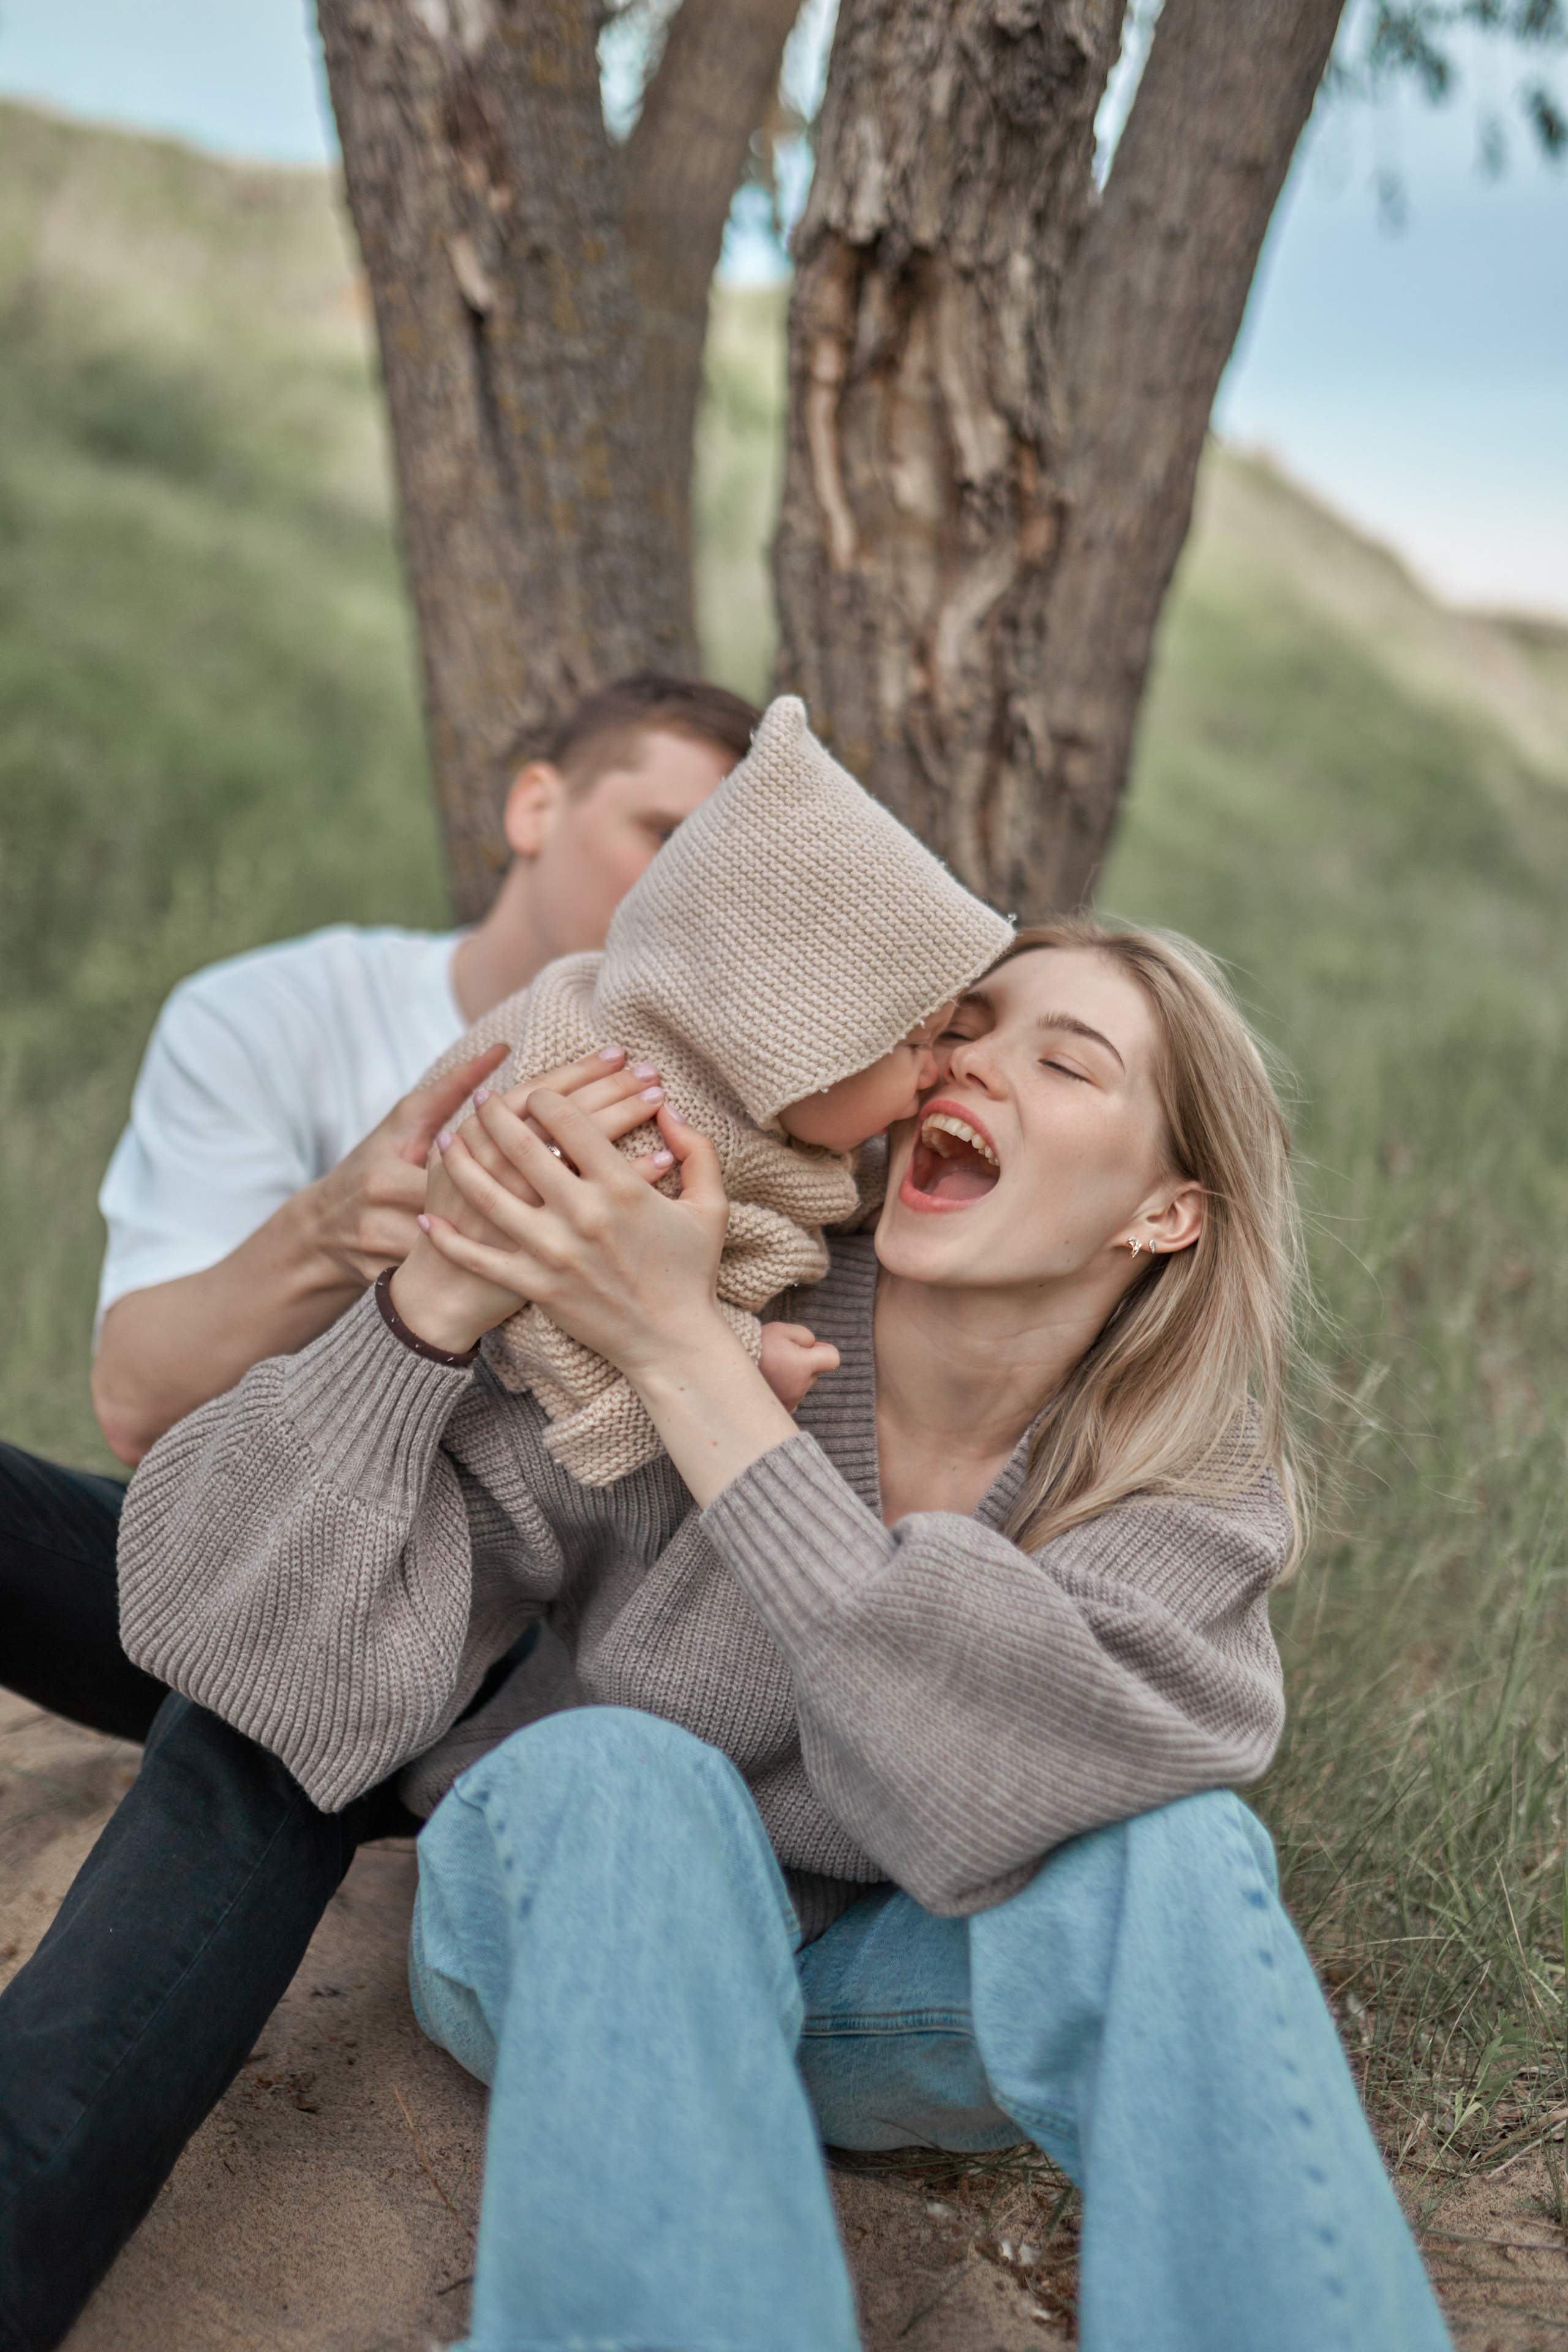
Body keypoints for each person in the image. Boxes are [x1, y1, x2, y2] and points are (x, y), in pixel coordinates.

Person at [113, 919, 1451, 2351]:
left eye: (1064, 1064)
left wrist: (691, 1368)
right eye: (962, 1030)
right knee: (616, 1771)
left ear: (1166, 1213)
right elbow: (204, 1613)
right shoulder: (723, 1286)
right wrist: (434, 1301)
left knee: (1177, 1846)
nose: (970, 1066)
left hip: (886, 2008)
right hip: (594, 1940)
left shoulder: (1177, 1475)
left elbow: (998, 1789)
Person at [0, 674, 755, 2351]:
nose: (684, 892)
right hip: (236, 1557)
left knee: (291, 1689)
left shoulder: (740, 1114)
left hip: (513, 1662)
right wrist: (337, 1231)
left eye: (724, 865)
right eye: (658, 832)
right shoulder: (275, 1012)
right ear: (536, 805)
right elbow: (138, 1404)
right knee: (266, 1614)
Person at [414, 694, 1013, 1490]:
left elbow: (829, 1178)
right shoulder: (623, 1128)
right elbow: (548, 1312)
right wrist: (738, 1356)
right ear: (798, 1044)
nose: (936, 1070)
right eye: (913, 1045)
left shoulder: (744, 1092)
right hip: (484, 1468)